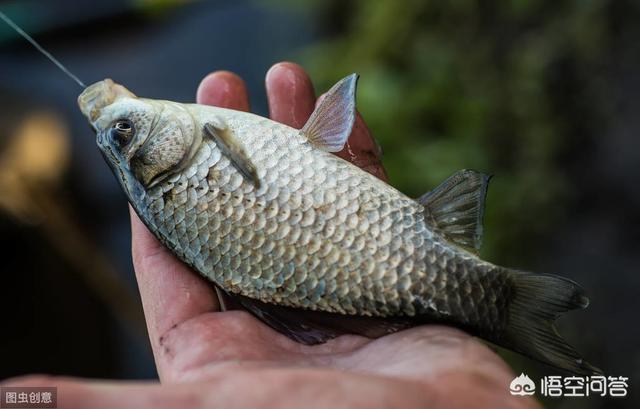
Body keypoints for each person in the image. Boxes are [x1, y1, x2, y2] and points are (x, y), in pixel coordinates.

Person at [2, 62, 539, 409]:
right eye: (125, 136)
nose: (124, 123)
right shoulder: (195, 147)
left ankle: (495, 305)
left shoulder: (191, 150)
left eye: (121, 133)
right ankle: (500, 305)